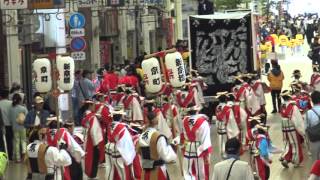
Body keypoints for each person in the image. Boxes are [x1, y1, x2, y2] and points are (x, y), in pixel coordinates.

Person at [137, 111, 177, 180]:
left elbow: (138, 150)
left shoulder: (142, 135)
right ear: (156, 120)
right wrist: (173, 145)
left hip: (145, 170)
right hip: (157, 169)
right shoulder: (158, 136)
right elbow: (165, 155)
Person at [105, 107, 138, 180]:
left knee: (110, 168)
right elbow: (126, 141)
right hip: (117, 149)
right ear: (120, 117)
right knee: (121, 170)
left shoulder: (110, 125)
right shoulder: (122, 127)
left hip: (108, 147)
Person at [181, 105, 212, 180]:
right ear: (197, 111)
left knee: (188, 170)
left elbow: (182, 134)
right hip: (199, 148)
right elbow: (206, 139)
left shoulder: (184, 120)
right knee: (201, 171)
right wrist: (207, 153)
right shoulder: (203, 122)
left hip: (188, 147)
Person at [279, 90, 305, 168]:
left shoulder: (282, 106)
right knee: (296, 144)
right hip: (292, 128)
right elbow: (297, 120)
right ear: (289, 96)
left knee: (288, 144)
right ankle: (296, 161)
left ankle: (285, 158)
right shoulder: (293, 106)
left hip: (284, 129)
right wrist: (302, 130)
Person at [80, 100, 104, 179]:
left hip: (87, 140)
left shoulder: (85, 116)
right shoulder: (92, 117)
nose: (94, 106)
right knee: (94, 158)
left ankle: (89, 173)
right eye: (93, 105)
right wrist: (96, 144)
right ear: (90, 106)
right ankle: (92, 175)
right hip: (92, 141)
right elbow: (93, 131)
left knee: (89, 158)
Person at [215, 92, 240, 158]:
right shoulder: (227, 108)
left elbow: (217, 117)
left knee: (221, 142)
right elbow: (231, 119)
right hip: (226, 126)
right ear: (226, 99)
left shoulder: (217, 107)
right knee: (226, 141)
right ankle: (225, 154)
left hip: (219, 126)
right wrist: (234, 129)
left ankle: (222, 154)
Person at [9, 93, 28, 163]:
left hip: (14, 127)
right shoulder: (23, 108)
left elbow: (10, 119)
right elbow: (27, 116)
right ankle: (24, 155)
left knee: (16, 142)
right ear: (20, 100)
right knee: (23, 141)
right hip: (22, 127)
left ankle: (17, 158)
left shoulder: (11, 109)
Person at [305, 91, 320, 162]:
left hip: (314, 139)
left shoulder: (309, 113)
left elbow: (306, 128)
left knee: (316, 160)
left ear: (311, 100)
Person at [0, 88, 13, 160]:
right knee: (10, 141)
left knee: (2, 142)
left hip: (2, 126)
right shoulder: (11, 103)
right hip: (10, 125)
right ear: (7, 95)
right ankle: (10, 156)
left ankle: (3, 156)